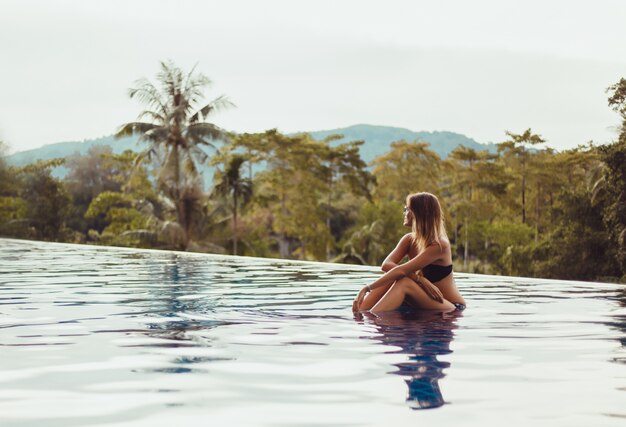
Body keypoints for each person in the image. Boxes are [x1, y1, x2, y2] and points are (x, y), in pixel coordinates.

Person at [352, 192, 466, 313]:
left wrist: (366, 288)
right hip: (421, 299)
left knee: (404, 282)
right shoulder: (409, 240)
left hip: (450, 306)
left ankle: (372, 320)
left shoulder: (439, 245)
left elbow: (401, 270)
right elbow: (386, 265)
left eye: (407, 209)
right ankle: (361, 313)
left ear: (419, 214)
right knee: (393, 278)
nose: (404, 213)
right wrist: (420, 279)